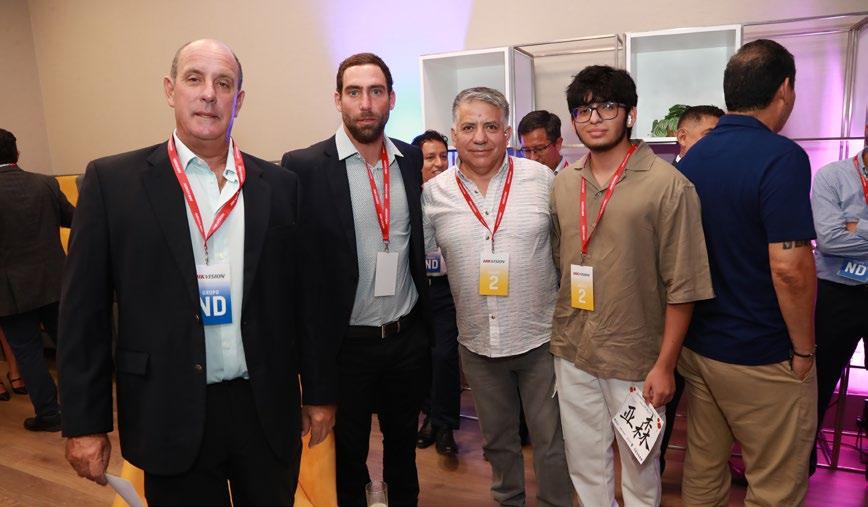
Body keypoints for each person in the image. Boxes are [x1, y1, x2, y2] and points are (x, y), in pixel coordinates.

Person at [59, 39, 319, 506]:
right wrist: (84, 424)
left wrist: (318, 393)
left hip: (264, 408)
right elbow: (83, 314)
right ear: (169, 89)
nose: (208, 94)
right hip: (168, 406)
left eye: (224, 83)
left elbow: (305, 302)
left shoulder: (280, 186)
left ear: (239, 99)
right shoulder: (112, 183)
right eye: (194, 79)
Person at [550, 66, 713, 507]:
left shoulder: (668, 185)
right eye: (583, 110)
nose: (594, 118)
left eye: (607, 106)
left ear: (631, 114)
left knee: (640, 471)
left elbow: (684, 285)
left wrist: (665, 365)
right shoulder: (564, 183)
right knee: (585, 465)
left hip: (637, 359)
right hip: (574, 349)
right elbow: (560, 262)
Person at [281, 53, 430, 507]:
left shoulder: (408, 160)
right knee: (348, 457)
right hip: (346, 348)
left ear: (391, 99)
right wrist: (311, 374)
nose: (365, 103)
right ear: (338, 99)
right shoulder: (303, 167)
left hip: (405, 338)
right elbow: (299, 279)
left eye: (376, 91)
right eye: (354, 92)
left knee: (403, 450)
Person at [678, 39, 817, 506]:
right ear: (784, 89)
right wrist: (804, 349)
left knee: (704, 466)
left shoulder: (693, 159)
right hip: (761, 352)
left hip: (700, 346)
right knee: (775, 484)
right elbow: (790, 268)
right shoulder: (782, 157)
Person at [422, 87, 573, 507]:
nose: (480, 137)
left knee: (551, 441)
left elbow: (564, 252)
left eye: (491, 126)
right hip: (477, 344)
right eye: (469, 127)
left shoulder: (541, 180)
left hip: (540, 340)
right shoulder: (434, 194)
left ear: (507, 133)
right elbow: (428, 262)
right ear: (454, 134)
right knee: (498, 442)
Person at [659, 103, 724, 474]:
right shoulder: (663, 183)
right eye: (711, 136)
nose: (719, 144)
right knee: (662, 401)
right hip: (669, 311)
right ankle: (652, 469)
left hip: (714, 311)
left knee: (708, 413)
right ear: (681, 137)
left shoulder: (724, 180)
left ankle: (705, 476)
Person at [0, 128, 73, 429]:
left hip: (10, 291)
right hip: (56, 281)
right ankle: (82, 404)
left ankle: (49, 413)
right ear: (17, 153)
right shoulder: (46, 183)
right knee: (69, 345)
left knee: (28, 353)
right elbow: (77, 220)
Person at [809, 123, 868, 474]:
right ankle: (799, 467)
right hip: (836, 293)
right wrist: (841, 231)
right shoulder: (832, 176)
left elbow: (840, 234)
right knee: (817, 382)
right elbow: (829, 240)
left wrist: (854, 226)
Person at [412, 130, 459, 457]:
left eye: (443, 156)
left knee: (445, 356)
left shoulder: (455, 195)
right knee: (423, 357)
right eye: (430, 157)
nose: (439, 163)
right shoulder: (405, 196)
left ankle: (444, 426)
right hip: (415, 288)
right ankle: (431, 417)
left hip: (447, 287)